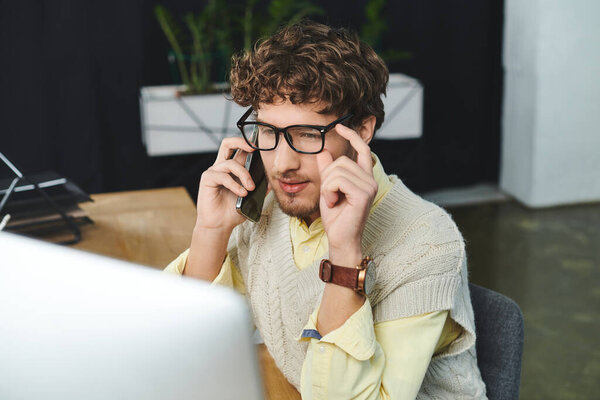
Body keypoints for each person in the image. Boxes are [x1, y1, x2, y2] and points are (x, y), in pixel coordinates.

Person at [165, 20, 487, 399]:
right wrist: (211, 231)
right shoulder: (270, 207)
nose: (283, 163)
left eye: (307, 135)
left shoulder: (427, 245)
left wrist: (345, 255)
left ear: (362, 131)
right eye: (268, 132)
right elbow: (186, 340)